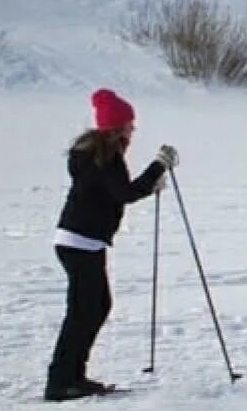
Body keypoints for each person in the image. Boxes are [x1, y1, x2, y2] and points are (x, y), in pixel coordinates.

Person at [45, 89, 178, 402]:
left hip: (79, 240)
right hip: (81, 241)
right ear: (117, 128)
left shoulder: (93, 154)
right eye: (129, 125)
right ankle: (62, 381)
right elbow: (124, 193)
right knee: (85, 311)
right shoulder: (106, 158)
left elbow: (117, 192)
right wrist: (158, 167)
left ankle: (72, 376)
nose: (133, 130)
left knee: (95, 307)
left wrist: (150, 181)